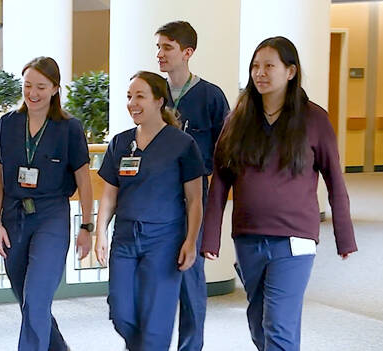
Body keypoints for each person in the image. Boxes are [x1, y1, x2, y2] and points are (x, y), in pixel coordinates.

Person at [201, 36, 357, 351]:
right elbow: (220, 181)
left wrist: (345, 236)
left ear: (290, 71)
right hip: (248, 237)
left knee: (278, 325)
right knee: (259, 324)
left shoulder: (314, 118)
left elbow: (335, 182)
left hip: (295, 238)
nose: (261, 73)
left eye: (269, 66)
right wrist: (211, 236)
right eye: (256, 66)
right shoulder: (238, 119)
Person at [0, 56, 93, 351]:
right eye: (27, 86)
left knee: (36, 299)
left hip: (51, 216)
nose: (33, 94)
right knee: (29, 303)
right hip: (13, 218)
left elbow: (84, 180)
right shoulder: (8, 124)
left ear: (55, 89)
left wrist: (87, 225)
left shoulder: (69, 128)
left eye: (41, 87)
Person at [95, 71, 204, 350]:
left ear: (159, 101)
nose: (132, 103)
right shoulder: (120, 143)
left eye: (140, 96)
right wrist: (100, 233)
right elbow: (109, 194)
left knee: (156, 323)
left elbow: (194, 200)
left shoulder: (182, 144)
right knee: (120, 312)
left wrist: (191, 241)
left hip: (164, 241)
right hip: (125, 239)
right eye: (129, 97)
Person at [155, 20, 230, 351]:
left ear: (187, 52)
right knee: (155, 279)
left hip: (194, 199)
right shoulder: (153, 92)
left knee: (189, 277)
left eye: (167, 47)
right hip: (157, 199)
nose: (160, 54)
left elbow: (225, 153)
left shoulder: (210, 96)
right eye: (158, 47)